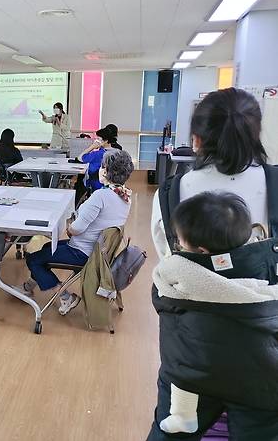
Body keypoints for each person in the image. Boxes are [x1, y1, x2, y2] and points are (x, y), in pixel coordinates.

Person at [149, 192, 278, 440]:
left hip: (193, 374)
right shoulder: (265, 271)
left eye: (180, 243)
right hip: (261, 377)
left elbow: (161, 300)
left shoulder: (176, 276)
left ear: (200, 251)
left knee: (171, 421)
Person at [151, 88, 270, 260]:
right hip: (264, 286)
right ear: (256, 135)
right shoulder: (272, 183)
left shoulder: (170, 193)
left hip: (192, 285)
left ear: (197, 140)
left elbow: (165, 253)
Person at [17, 150, 134, 315]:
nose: (100, 169)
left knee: (34, 259)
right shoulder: (125, 196)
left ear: (107, 171)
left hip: (82, 253)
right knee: (47, 247)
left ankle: (65, 297)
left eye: (102, 166)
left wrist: (67, 227)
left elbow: (76, 230)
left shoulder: (101, 196)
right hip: (99, 252)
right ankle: (27, 287)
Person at [74, 124, 119, 201]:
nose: (96, 140)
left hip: (96, 185)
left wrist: (92, 147)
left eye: (98, 138)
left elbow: (80, 158)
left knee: (79, 182)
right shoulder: (117, 152)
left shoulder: (98, 154)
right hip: (110, 186)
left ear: (105, 141)